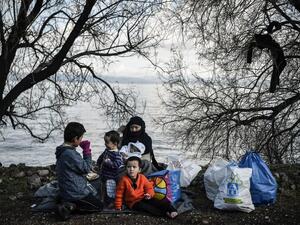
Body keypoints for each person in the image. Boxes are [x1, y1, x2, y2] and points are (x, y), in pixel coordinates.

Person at [55, 122, 103, 220]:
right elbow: (86, 168)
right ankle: (70, 206)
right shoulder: (70, 154)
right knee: (99, 206)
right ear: (75, 139)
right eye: (81, 138)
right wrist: (86, 151)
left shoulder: (62, 150)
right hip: (75, 193)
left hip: (66, 189)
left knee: (95, 186)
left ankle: (65, 201)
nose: (81, 140)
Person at [97, 130, 123, 207]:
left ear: (115, 144)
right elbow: (101, 157)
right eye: (105, 142)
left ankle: (112, 202)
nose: (105, 144)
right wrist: (98, 163)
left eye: (107, 142)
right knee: (103, 187)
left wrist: (109, 162)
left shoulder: (117, 154)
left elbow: (117, 164)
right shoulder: (107, 150)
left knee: (110, 190)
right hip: (104, 175)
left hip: (111, 177)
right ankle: (102, 199)